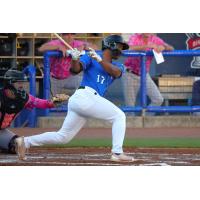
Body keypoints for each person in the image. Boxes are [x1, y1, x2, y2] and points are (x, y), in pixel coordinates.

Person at [22, 35, 134, 162]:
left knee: (63, 137)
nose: (121, 50)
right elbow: (75, 70)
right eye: (119, 46)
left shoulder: (117, 65)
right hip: (84, 96)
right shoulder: (90, 57)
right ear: (111, 45)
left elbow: (115, 72)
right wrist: (74, 58)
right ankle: (117, 153)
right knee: (119, 116)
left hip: (87, 100)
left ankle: (25, 141)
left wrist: (99, 60)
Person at [0, 69, 55, 160]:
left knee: (20, 144)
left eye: (23, 83)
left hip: (1, 131)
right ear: (9, 83)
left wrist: (52, 103)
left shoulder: (24, 98)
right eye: (18, 83)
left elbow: (40, 102)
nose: (22, 86)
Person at [123, 33, 174, 107]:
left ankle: (145, 117)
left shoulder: (155, 39)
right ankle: (134, 118)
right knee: (130, 107)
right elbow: (128, 48)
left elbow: (171, 48)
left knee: (158, 99)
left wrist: (163, 47)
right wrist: (147, 46)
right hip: (130, 74)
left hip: (144, 75)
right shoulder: (135, 37)